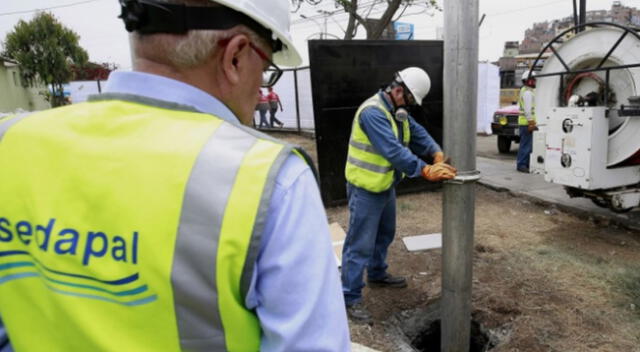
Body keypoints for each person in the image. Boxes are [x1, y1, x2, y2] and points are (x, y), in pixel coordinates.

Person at [0, 1, 350, 351]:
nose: (261, 87)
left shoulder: (11, 141)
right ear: (236, 56)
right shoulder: (269, 178)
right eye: (267, 69)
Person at [342, 67, 457, 323]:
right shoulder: (373, 113)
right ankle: (349, 297)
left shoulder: (397, 111)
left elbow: (416, 132)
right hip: (365, 188)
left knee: (384, 234)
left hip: (384, 185)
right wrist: (425, 170)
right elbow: (393, 151)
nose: (409, 105)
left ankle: (377, 273)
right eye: (409, 99)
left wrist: (435, 152)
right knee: (359, 244)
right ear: (397, 90)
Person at [516, 70, 537, 173]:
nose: (534, 82)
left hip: (525, 123)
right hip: (526, 123)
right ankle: (522, 165)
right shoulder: (528, 92)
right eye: (533, 79)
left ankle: (525, 164)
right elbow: (528, 110)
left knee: (526, 145)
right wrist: (531, 122)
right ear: (528, 81)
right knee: (526, 146)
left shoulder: (525, 90)